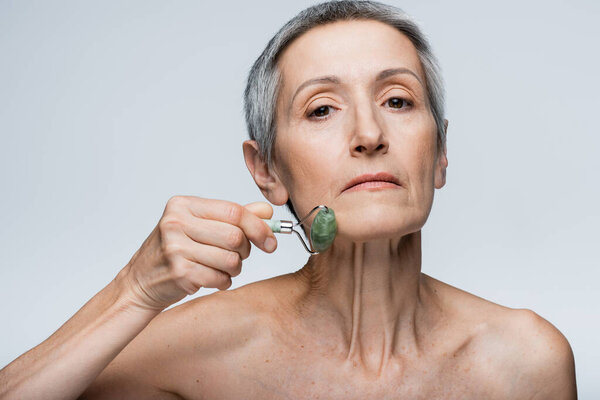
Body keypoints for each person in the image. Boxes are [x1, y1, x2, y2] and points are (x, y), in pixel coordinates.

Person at [0, 1, 577, 399]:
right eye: (322, 108)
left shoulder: (527, 363)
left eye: (398, 100)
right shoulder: (196, 352)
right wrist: (133, 291)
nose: (369, 134)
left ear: (441, 154)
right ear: (268, 171)